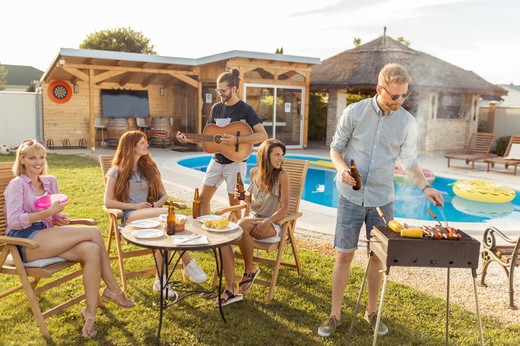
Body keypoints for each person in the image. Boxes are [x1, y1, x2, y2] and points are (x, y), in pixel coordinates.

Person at [317, 63, 444, 338]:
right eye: (395, 96)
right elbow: (336, 149)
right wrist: (341, 170)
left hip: (382, 200)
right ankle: (335, 314)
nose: (400, 101)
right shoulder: (355, 112)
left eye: (404, 96)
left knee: (378, 258)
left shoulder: (406, 123)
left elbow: (410, 163)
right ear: (380, 90)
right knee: (343, 255)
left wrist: (426, 188)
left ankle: (371, 312)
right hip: (349, 196)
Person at [4, 139, 135, 339]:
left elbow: (52, 215)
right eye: (32, 158)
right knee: (94, 233)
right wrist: (47, 212)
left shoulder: (50, 181)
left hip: (47, 237)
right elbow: (13, 221)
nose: (38, 162)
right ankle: (113, 289)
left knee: (91, 250)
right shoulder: (17, 184)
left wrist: (58, 217)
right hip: (25, 242)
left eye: (41, 157)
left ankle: (89, 314)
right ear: (22, 159)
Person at [103, 131, 207, 299]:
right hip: (130, 216)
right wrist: (135, 206)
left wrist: (156, 205)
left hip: (152, 215)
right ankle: (189, 263)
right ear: (131, 147)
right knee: (168, 216)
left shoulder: (149, 169)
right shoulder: (116, 171)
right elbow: (108, 202)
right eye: (143, 143)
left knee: (166, 231)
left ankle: (161, 281)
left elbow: (163, 196)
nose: (147, 145)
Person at [176, 68, 268, 216]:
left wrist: (237, 140)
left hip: (235, 163)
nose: (220, 94)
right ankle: (205, 230)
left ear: (234, 88)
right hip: (217, 161)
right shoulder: (216, 108)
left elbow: (262, 135)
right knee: (202, 199)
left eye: (223, 91)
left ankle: (238, 236)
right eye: (218, 91)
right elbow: (210, 137)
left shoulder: (246, 110)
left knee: (234, 205)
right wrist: (189, 139)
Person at [215, 139, 289, 306]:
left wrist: (267, 221)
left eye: (282, 155)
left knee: (242, 224)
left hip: (273, 224)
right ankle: (231, 287)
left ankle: (250, 269)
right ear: (265, 155)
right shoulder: (255, 172)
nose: (280, 158)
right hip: (253, 221)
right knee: (224, 237)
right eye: (277, 154)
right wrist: (242, 197)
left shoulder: (282, 176)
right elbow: (251, 200)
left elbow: (285, 208)